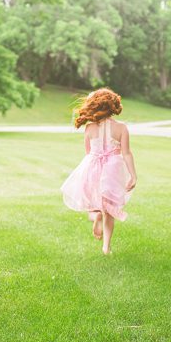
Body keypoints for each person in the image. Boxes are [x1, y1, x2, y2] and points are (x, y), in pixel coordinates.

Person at [61, 88, 138, 255]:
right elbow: (126, 153)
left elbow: (88, 152)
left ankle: (97, 216)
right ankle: (106, 246)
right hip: (113, 169)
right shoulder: (121, 128)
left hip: (93, 167)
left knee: (96, 200)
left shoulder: (89, 128)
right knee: (109, 206)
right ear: (113, 107)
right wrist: (133, 175)